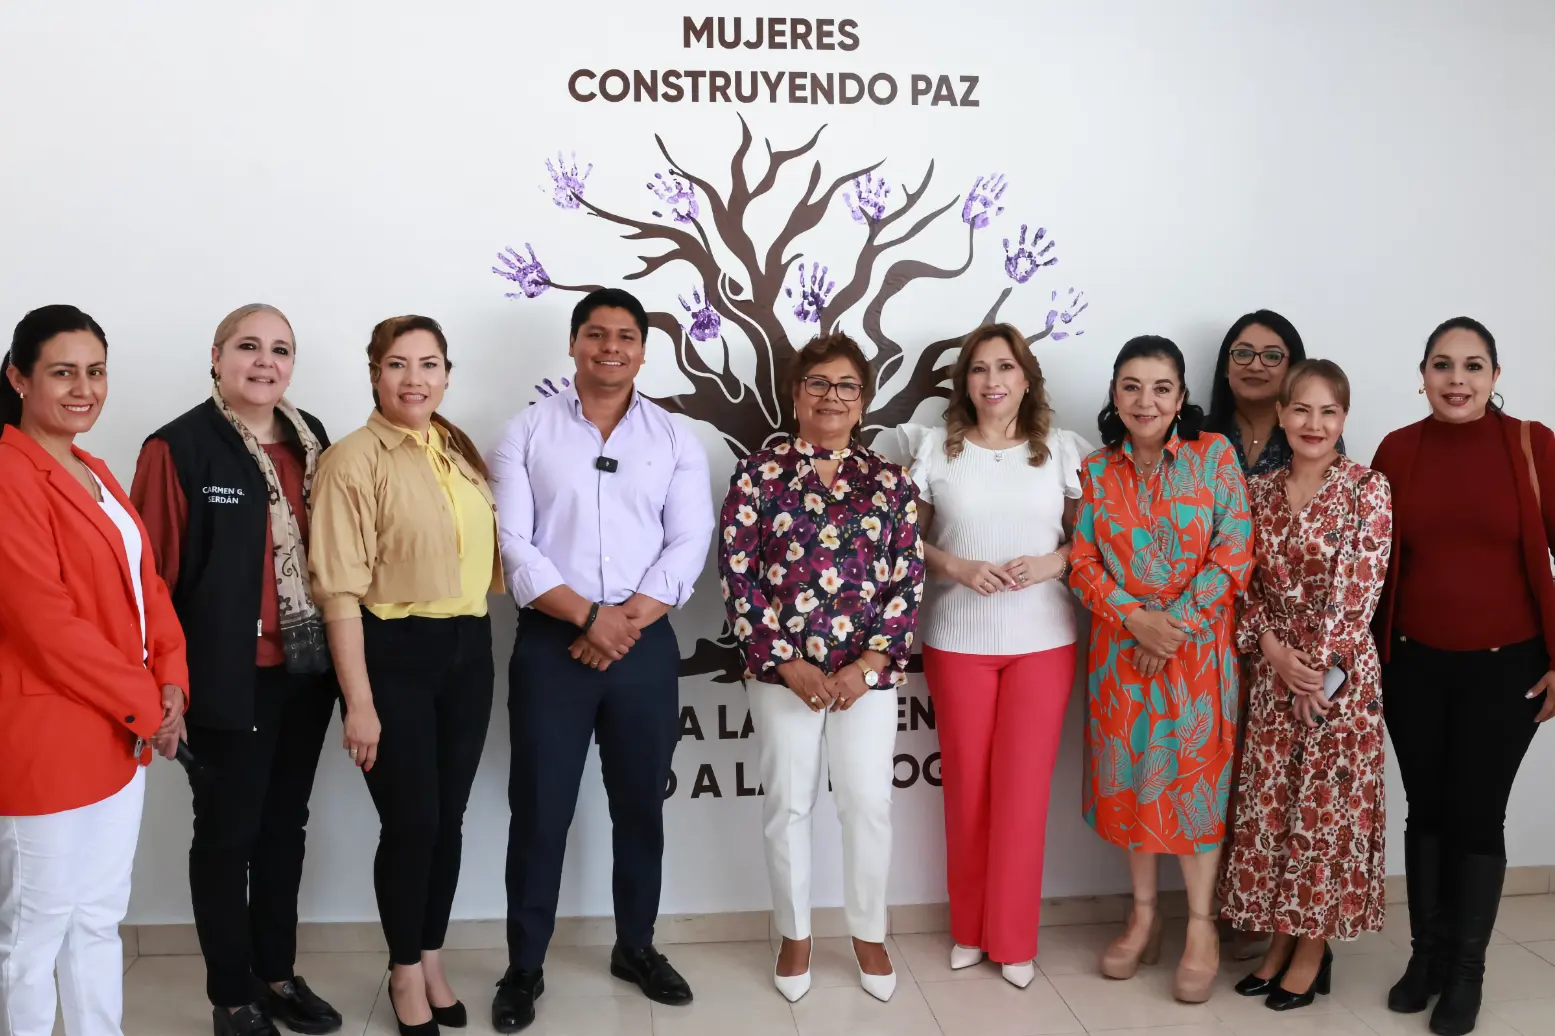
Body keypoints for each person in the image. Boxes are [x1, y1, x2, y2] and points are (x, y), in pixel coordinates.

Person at [487, 288, 713, 1032]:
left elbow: (688, 542)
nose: (609, 347)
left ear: (643, 351)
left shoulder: (675, 438)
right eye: (595, 334)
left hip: (643, 644)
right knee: (540, 810)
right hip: (553, 643)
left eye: (624, 336)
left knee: (639, 806)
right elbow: (513, 544)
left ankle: (635, 947)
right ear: (573, 344)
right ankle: (524, 967)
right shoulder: (525, 431)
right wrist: (588, 618)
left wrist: (622, 622)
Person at [129, 304, 342, 1036]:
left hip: (306, 674)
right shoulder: (178, 447)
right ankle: (231, 994)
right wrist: (160, 686)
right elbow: (149, 581)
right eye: (248, 346)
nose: (264, 362)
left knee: (286, 826)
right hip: (226, 679)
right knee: (228, 834)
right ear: (217, 357)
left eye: (280, 350)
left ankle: (276, 974)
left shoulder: (312, 439)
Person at [718, 331, 925, 1004]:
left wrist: (867, 664)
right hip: (785, 676)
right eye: (818, 383)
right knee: (787, 806)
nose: (831, 397)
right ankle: (795, 934)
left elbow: (907, 579)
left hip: (865, 678)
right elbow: (738, 575)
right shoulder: (758, 474)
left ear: (862, 401)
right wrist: (786, 662)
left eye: (846, 386)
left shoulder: (890, 482)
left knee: (867, 805)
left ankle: (868, 934)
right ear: (795, 394)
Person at [309, 316, 501, 1036]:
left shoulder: (455, 449)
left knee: (447, 819)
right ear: (374, 374)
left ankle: (430, 956)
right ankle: (401, 971)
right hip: (393, 653)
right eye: (397, 364)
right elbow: (339, 593)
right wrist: (358, 702)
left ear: (447, 375)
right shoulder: (352, 460)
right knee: (412, 822)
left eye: (428, 364)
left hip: (468, 648)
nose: (414, 378)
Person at [0, 305, 188, 1036]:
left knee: (98, 916)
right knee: (35, 928)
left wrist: (171, 681)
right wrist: (146, 701)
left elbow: (149, 589)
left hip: (117, 734)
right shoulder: (9, 472)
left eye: (96, 371)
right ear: (19, 378)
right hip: (48, 737)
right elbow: (44, 625)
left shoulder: (94, 470)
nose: (84, 388)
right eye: (63, 372)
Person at [1371, 317, 1555, 1036]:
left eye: (1472, 366)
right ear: (1421, 375)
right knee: (1425, 810)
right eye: (1442, 365)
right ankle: (1425, 958)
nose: (1456, 379)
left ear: (1495, 376)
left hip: (1507, 669)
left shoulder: (1532, 445)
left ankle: (1466, 973)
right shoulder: (1397, 450)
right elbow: (1373, 564)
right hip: (1411, 664)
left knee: (1476, 813)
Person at [1068, 334, 1252, 1004]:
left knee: (1196, 787)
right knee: (1133, 783)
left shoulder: (1214, 456)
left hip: (1197, 656)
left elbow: (1234, 550)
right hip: (1121, 657)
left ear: (1181, 398)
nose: (1145, 401)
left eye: (1160, 388)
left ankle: (1200, 926)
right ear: (1114, 394)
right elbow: (1081, 561)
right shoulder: (1096, 471)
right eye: (1131, 386)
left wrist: (1168, 626)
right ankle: (1142, 916)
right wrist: (1133, 619)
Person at [909, 323, 1088, 988]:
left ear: (1026, 378)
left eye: (1005, 367)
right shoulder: (935, 449)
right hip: (957, 641)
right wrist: (954, 566)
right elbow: (902, 539)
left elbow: (1094, 539)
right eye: (980, 368)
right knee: (967, 791)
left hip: (1042, 644)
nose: (992, 380)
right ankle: (968, 929)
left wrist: (1052, 562)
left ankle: (1012, 940)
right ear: (965, 382)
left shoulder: (1062, 450)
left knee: (1022, 794)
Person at [1219, 360, 1393, 1012]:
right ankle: (1278, 942)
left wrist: (1314, 674)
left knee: (1323, 819)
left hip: (1339, 685)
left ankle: (1312, 951)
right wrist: (1272, 651)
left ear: (1343, 419)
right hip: (1274, 676)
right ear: (1281, 415)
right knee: (1274, 815)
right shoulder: (1257, 492)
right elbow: (1244, 586)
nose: (1313, 424)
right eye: (1301, 410)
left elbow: (1359, 590)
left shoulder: (1367, 489)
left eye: (1327, 412)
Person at [1204, 310, 1344, 962]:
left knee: (1289, 790)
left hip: (1297, 656)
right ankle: (1222, 907)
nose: (1255, 364)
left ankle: (1288, 927)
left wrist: (1307, 663)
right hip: (1209, 631)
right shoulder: (1200, 437)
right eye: (1242, 352)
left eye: (1271, 354)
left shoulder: (1326, 457)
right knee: (1222, 777)